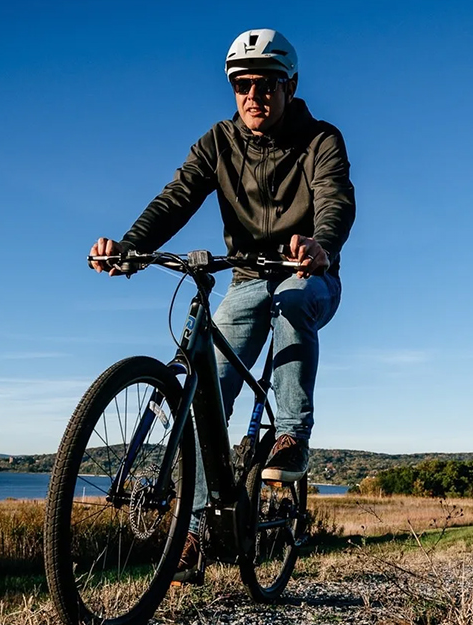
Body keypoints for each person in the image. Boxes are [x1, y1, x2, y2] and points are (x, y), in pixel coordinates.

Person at [87, 28, 354, 580]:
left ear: (290, 85)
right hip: (246, 278)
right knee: (205, 391)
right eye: (241, 86)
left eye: (265, 85)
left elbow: (335, 200)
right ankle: (197, 532)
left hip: (308, 273)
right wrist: (132, 247)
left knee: (292, 301)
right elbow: (178, 195)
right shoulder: (218, 142)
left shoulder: (320, 139)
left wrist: (320, 245)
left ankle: (291, 437)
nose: (253, 96)